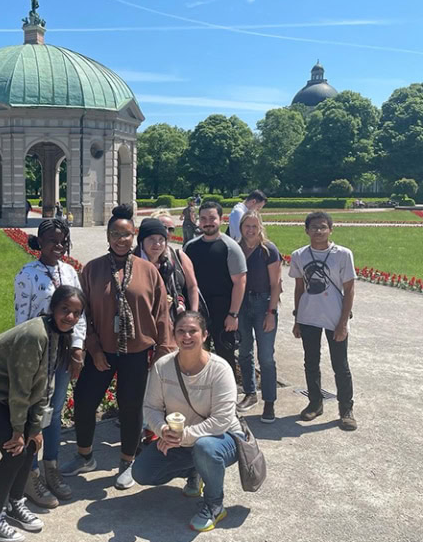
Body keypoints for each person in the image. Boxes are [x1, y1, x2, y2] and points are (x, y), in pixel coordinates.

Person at [61, 204, 174, 490]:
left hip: (137, 352)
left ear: (133, 235)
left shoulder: (148, 271)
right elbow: (82, 314)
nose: (121, 239)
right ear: (108, 236)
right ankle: (85, 455)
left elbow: (161, 313)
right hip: (102, 351)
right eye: (115, 234)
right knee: (85, 402)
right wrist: (94, 348)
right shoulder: (93, 269)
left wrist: (161, 352)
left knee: (131, 407)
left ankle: (127, 460)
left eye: (126, 234)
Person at [0, 286, 86, 542]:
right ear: (53, 308)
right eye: (65, 310)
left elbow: (44, 384)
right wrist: (19, 431)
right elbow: (21, 390)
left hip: (6, 387)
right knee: (14, 450)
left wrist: (35, 429)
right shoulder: (36, 335)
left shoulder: (59, 334)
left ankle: (16, 503)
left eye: (76, 313)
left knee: (30, 446)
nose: (70, 317)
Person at [132, 311, 243, 533]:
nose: (187, 336)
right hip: (181, 439)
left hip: (224, 439)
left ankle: (214, 504)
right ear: (174, 336)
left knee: (205, 447)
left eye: (193, 331)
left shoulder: (219, 369)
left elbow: (221, 421)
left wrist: (183, 437)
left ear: (204, 335)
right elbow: (151, 407)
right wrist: (163, 431)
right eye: (181, 331)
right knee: (142, 473)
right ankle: (196, 471)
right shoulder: (163, 366)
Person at [14, 219, 86, 508]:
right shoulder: (27, 274)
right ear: (39, 242)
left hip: (64, 352)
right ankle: (30, 475)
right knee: (35, 414)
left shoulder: (69, 272)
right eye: (51, 240)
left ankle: (51, 469)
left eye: (62, 241)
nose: (57, 246)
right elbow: (22, 319)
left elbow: (80, 314)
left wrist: (78, 349)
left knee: (54, 413)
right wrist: (27, 358)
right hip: (39, 352)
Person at [289, 211, 357, 431]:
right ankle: (315, 402)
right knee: (311, 362)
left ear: (331, 229)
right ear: (306, 230)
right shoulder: (299, 255)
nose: (318, 231)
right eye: (314, 227)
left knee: (341, 365)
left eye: (323, 226)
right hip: (309, 317)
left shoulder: (343, 254)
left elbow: (349, 290)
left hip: (335, 317)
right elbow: (299, 288)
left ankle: (346, 409)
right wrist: (297, 319)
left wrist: (343, 322)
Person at [185, 201, 247, 370]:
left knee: (225, 357)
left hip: (224, 313)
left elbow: (240, 283)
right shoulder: (190, 248)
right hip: (199, 311)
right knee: (196, 355)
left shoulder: (230, 248)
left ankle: (227, 395)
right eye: (203, 218)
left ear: (221, 219)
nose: (208, 222)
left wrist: (233, 314)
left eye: (212, 218)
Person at [235, 211, 281, 422]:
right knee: (244, 351)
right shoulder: (236, 248)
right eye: (247, 226)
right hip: (242, 303)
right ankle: (250, 392)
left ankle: (269, 401)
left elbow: (275, 285)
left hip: (263, 303)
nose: (250, 230)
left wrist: (271, 312)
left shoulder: (268, 250)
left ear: (260, 227)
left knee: (266, 356)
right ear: (241, 227)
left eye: (254, 226)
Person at [153, 215, 200, 313]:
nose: (167, 232)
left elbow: (192, 287)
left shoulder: (179, 255)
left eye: (171, 229)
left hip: (178, 316)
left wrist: (194, 315)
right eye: (163, 227)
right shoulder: (140, 257)